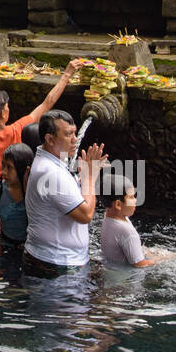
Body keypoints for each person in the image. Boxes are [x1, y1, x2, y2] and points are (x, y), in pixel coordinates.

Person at [0, 59, 85, 190]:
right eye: (7, 107)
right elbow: (47, 103)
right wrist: (66, 75)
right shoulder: (16, 129)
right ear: (2, 114)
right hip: (12, 190)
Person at [23, 110, 107, 277]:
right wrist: (90, 177)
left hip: (54, 260)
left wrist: (83, 179)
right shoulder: (51, 173)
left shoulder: (52, 163)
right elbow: (86, 215)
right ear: (50, 139)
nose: (75, 139)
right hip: (57, 266)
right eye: (69, 134)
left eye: (75, 133)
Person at [100, 165, 169, 267]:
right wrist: (160, 259)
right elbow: (139, 264)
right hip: (124, 279)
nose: (135, 200)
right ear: (118, 204)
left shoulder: (109, 217)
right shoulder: (128, 232)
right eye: (131, 197)